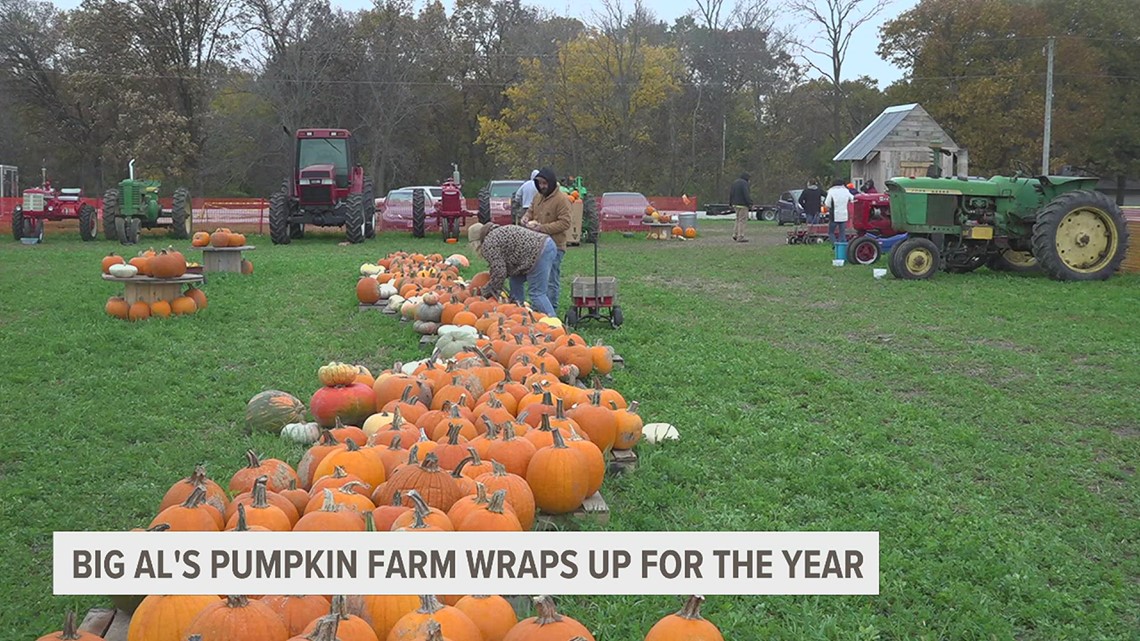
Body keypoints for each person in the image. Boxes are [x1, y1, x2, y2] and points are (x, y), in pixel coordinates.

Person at [467, 222, 558, 316]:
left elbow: (499, 272)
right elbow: (502, 265)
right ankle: (519, 311)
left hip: (539, 252)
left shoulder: (489, 243)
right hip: (546, 244)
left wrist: (487, 290)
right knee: (515, 281)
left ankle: (554, 323)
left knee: (537, 293)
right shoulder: (497, 232)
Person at [520, 167, 572, 314]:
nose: (542, 186)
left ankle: (551, 309)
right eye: (539, 183)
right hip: (537, 246)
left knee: (551, 279)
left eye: (544, 183)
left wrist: (541, 228)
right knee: (538, 278)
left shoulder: (562, 200)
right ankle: (539, 308)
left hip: (556, 245)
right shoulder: (538, 197)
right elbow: (530, 211)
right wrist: (526, 218)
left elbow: (565, 223)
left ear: (551, 182)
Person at [825, 179, 853, 244]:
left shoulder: (831, 191)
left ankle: (835, 245)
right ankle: (842, 248)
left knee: (831, 232)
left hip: (834, 215)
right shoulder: (846, 191)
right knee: (842, 233)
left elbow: (827, 203)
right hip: (844, 215)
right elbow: (852, 199)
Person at [728, 172, 753, 242]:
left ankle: (735, 234)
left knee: (737, 219)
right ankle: (740, 236)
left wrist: (730, 203)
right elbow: (746, 194)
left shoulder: (734, 183)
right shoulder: (745, 184)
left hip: (735, 204)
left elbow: (731, 193)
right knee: (742, 220)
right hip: (743, 205)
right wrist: (750, 203)